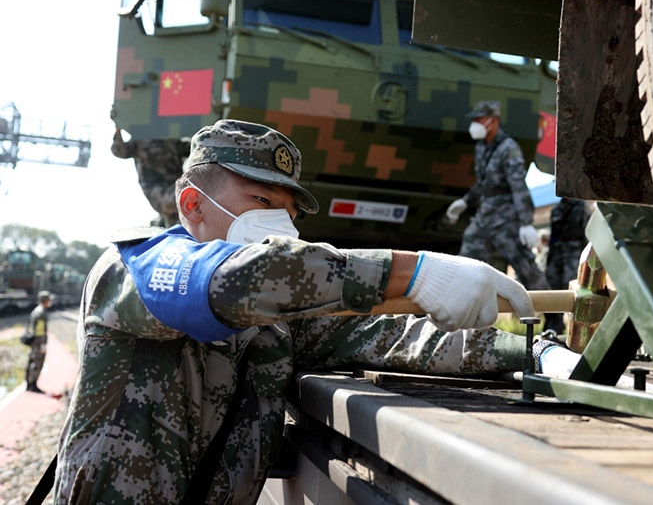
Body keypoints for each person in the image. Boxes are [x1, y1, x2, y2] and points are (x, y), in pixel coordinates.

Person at [55, 120, 544, 504]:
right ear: (192, 204)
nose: (279, 223)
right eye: (262, 200)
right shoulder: (138, 267)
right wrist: (416, 271)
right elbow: (237, 281)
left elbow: (392, 338)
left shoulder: (277, 321)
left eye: (288, 211)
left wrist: (530, 351)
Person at [446, 100, 549, 291]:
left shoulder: (508, 148)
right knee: (466, 261)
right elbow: (483, 184)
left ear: (492, 121)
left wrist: (526, 222)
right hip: (485, 215)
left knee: (526, 269)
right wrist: (465, 201)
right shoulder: (481, 148)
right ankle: (465, 314)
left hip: (506, 219)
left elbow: (518, 184)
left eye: (479, 119)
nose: (474, 124)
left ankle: (554, 317)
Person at [111, 127, 191, 227]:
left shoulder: (172, 139)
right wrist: (118, 127)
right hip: (156, 190)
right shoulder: (141, 138)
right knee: (188, 197)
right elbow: (119, 150)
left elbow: (192, 148)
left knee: (179, 228)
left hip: (176, 185)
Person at [544, 198, 592, 334]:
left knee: (574, 291)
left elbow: (586, 235)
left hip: (574, 254)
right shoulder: (557, 208)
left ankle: (579, 330)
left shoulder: (582, 207)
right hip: (556, 253)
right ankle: (554, 326)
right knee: (552, 288)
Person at [25, 291, 51, 393]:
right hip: (38, 342)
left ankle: (28, 384)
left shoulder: (36, 311)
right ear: (45, 300)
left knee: (31, 361)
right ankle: (33, 385)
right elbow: (40, 331)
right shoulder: (41, 313)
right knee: (37, 362)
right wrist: (42, 344)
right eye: (49, 299)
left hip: (34, 342)